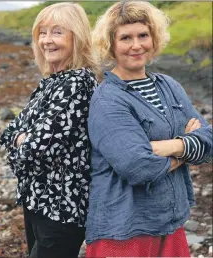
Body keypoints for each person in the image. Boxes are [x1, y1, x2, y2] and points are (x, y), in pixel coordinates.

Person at [85, 1, 212, 257]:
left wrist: (169, 146)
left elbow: (208, 140)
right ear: (111, 44)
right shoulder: (107, 99)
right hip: (124, 231)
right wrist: (187, 148)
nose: (136, 45)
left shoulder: (170, 85)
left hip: (171, 223)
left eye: (143, 35)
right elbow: (136, 166)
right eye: (125, 38)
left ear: (153, 38)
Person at [0, 2, 98, 258]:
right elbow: (9, 132)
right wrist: (21, 138)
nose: (46, 40)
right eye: (42, 32)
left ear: (77, 38)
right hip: (38, 201)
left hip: (61, 209)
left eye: (57, 32)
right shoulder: (52, 82)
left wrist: (22, 140)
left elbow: (33, 151)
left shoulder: (76, 84)